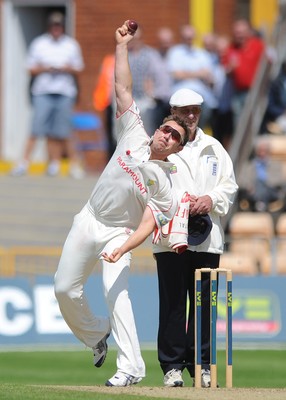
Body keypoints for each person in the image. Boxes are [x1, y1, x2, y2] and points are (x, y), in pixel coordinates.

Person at [54, 20, 189, 388]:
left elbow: (148, 223)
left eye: (175, 136)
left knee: (118, 293)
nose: (166, 135)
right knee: (65, 288)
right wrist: (121, 46)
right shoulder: (134, 132)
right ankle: (96, 335)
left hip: (122, 233)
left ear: (178, 148)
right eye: (166, 128)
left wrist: (122, 250)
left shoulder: (167, 183)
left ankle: (131, 367)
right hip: (90, 217)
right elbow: (122, 87)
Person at [152, 88, 238, 387]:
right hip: (170, 237)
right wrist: (183, 202)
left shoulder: (213, 147)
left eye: (195, 111)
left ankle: (201, 365)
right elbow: (150, 183)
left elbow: (229, 186)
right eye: (185, 110)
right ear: (174, 110)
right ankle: (172, 366)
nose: (190, 116)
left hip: (207, 237)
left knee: (204, 306)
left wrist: (211, 199)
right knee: (173, 304)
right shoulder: (163, 145)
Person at [11, 11, 85, 179]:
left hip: (64, 91)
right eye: (53, 25)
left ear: (62, 27)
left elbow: (79, 67)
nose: (56, 28)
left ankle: (70, 164)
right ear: (49, 26)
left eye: (58, 25)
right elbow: (30, 68)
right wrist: (46, 68)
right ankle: (24, 163)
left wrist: (66, 68)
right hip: (43, 91)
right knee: (37, 128)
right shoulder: (40, 44)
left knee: (64, 130)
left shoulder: (71, 45)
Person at [166, 24, 217, 131]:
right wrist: (198, 73)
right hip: (180, 95)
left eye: (191, 37)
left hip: (201, 96)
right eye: (186, 37)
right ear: (181, 37)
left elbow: (208, 74)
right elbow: (176, 74)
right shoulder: (175, 52)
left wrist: (186, 73)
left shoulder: (202, 53)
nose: (189, 40)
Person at [222, 19, 265, 127]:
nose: (238, 35)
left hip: (255, 91)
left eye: (241, 32)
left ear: (248, 32)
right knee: (239, 121)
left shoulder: (257, 45)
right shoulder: (231, 47)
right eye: (236, 32)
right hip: (238, 92)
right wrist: (230, 69)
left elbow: (268, 64)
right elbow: (226, 70)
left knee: (254, 120)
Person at [237, 135, 286, 213]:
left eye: (265, 150)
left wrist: (265, 184)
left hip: (271, 191)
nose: (262, 153)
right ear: (257, 151)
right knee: (258, 183)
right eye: (260, 150)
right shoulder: (249, 166)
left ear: (268, 151)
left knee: (260, 183)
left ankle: (259, 204)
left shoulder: (276, 165)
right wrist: (248, 186)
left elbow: (279, 181)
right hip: (253, 192)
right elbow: (241, 181)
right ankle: (261, 205)